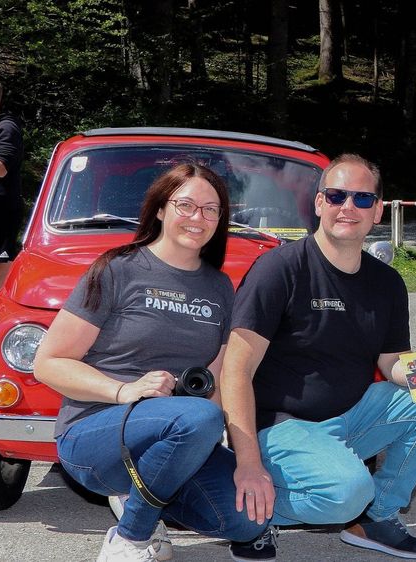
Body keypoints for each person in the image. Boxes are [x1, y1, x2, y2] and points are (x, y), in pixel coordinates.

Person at [220, 154, 416, 560]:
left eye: (362, 199)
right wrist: (247, 462)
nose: (347, 207)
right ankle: (245, 509)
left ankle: (376, 517)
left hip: (350, 417)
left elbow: (392, 362)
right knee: (346, 491)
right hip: (282, 426)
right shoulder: (279, 270)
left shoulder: (386, 282)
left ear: (378, 211)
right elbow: (235, 371)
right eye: (336, 196)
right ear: (319, 204)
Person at [35, 164, 265, 561]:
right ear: (160, 209)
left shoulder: (219, 287)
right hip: (95, 432)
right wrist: (123, 390)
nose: (199, 218)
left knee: (249, 519)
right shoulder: (118, 269)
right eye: (186, 205)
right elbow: (49, 362)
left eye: (211, 210)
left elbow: (223, 380)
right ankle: (130, 538)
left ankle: (146, 498)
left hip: (181, 435)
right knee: (196, 419)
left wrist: (244, 460)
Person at [0, 74, 24, 289]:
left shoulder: (6, 128)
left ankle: (5, 317)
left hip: (0, 211)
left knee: (1, 264)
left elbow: (0, 167)